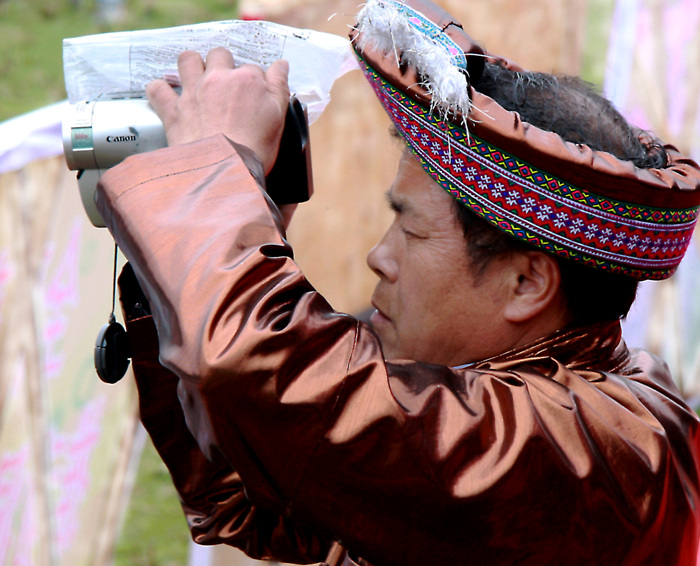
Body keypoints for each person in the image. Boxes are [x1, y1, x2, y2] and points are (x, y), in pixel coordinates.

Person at [98, 0, 700, 564]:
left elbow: (255, 369)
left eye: (410, 234)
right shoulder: (536, 390)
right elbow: (248, 493)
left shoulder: (599, 450)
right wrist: (231, 228)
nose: (376, 258)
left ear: (525, 284)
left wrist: (212, 175)